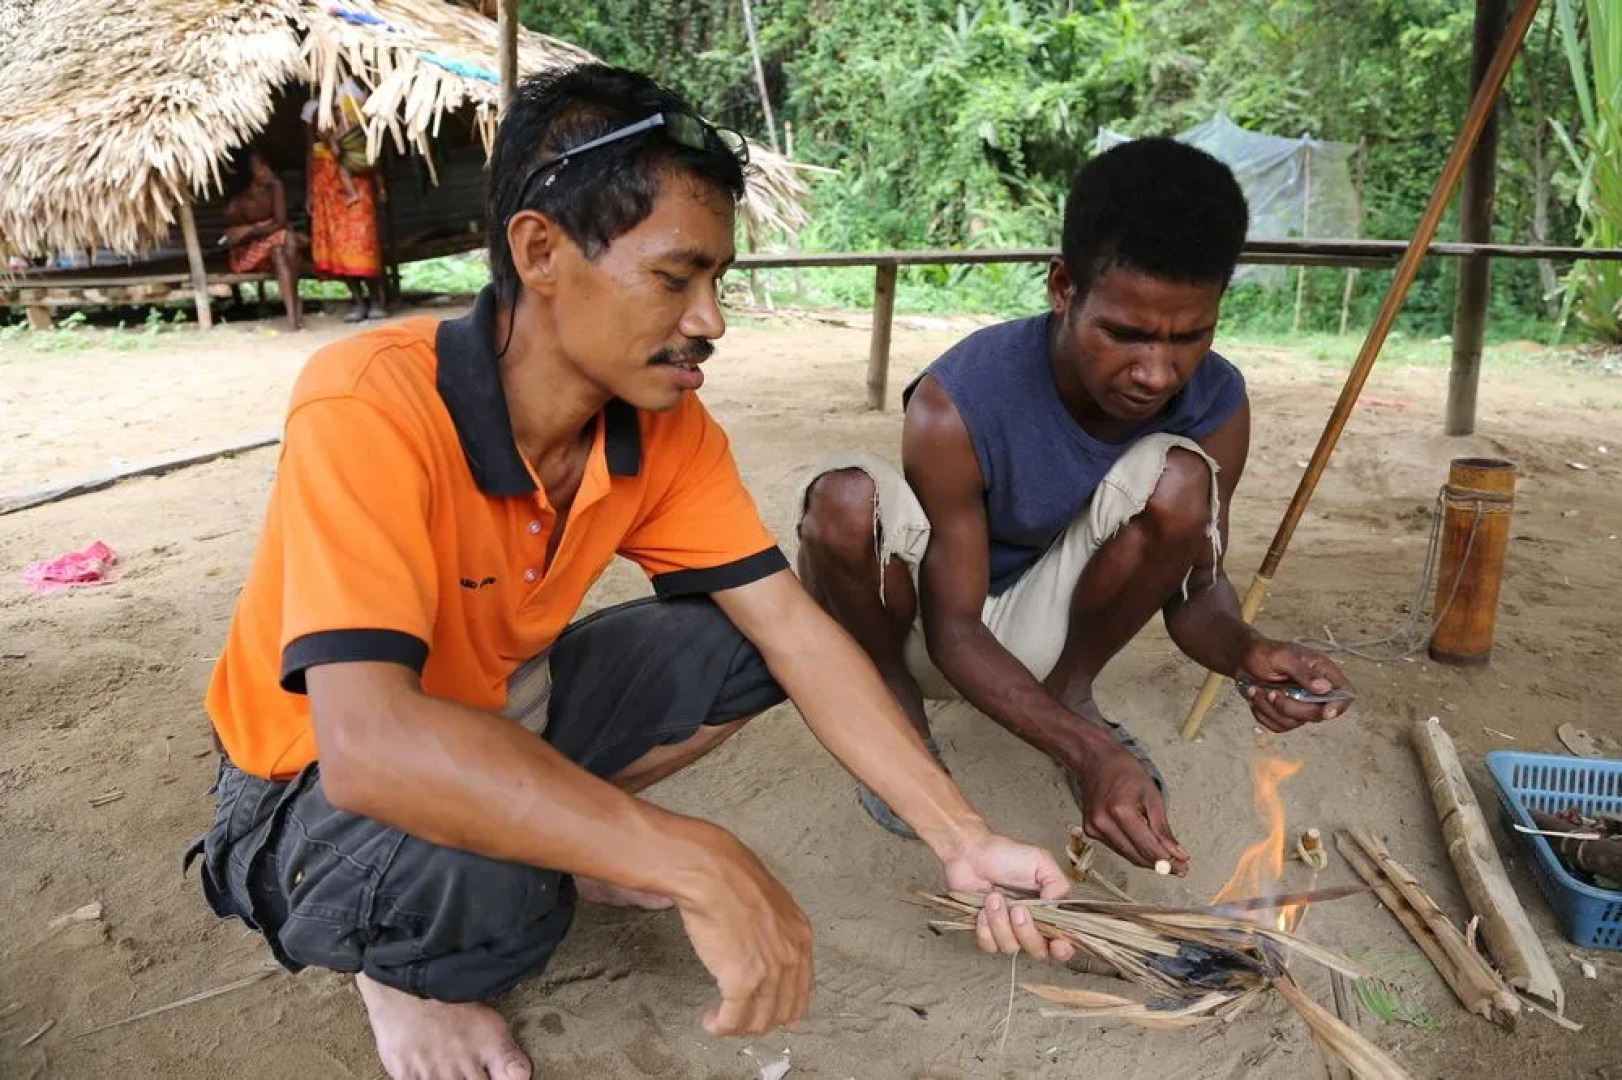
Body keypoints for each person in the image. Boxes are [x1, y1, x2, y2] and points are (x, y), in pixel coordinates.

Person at [187, 65, 1073, 1080]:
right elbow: (371, 749)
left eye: (718, 282)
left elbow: (790, 632)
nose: (712, 321)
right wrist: (691, 856)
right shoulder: (369, 400)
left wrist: (961, 839)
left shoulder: (665, 430)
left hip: (494, 721)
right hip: (302, 792)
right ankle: (403, 973)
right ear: (539, 251)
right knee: (503, 893)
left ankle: (555, 835)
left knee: (739, 641)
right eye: (673, 277)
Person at [796, 138, 1354, 873]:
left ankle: (1071, 693)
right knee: (844, 501)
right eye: (1124, 333)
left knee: (1183, 481)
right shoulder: (956, 400)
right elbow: (956, 631)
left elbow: (1195, 593)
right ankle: (897, 715)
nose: (1156, 372)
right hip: (927, 620)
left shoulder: (1216, 403)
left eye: (1190, 336)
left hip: (1042, 633)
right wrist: (1092, 754)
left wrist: (1251, 652)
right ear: (1063, 287)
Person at [303, 78, 387, 322]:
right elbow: (310, 151)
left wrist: (380, 185)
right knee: (337, 247)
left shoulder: (353, 97)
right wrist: (310, 191)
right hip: (326, 188)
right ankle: (357, 301)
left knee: (364, 241)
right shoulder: (313, 110)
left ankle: (375, 300)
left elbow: (369, 149)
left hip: (357, 183)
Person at [221, 150, 303, 331]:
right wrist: (256, 230)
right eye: (260, 168)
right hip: (249, 253)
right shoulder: (238, 202)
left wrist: (255, 228)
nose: (266, 171)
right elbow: (234, 237)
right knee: (287, 240)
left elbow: (280, 222)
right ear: (249, 173)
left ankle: (291, 318)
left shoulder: (275, 187)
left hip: (275, 248)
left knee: (281, 251)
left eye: (266, 165)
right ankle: (296, 306)